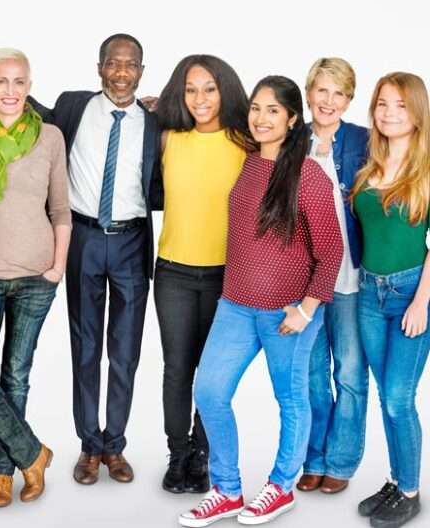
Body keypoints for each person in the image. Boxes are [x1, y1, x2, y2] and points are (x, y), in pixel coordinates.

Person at [181, 76, 343, 527]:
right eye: (256, 108)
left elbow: (331, 250)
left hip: (288, 311)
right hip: (235, 304)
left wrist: (307, 308)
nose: (261, 117)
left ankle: (281, 486)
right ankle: (227, 490)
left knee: (290, 400)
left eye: (273, 110)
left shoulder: (308, 174)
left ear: (292, 120)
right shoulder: (249, 164)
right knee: (209, 392)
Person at [30, 33, 162, 486]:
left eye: (131, 65)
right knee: (85, 347)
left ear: (141, 71)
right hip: (83, 239)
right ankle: (89, 446)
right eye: (113, 63)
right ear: (99, 67)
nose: (121, 73)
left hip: (131, 242)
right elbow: (22, 106)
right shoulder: (72, 106)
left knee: (124, 353)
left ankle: (115, 446)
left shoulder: (156, 122)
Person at [0, 48, 71, 508]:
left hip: (37, 276)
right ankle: (33, 454)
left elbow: (60, 209)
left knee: (16, 375)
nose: (10, 91)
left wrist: (58, 266)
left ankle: (2, 474)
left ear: (29, 85)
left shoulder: (50, 138)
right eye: (1, 81)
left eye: (18, 82)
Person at [153, 54, 251, 494]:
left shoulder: (244, 142)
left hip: (226, 277)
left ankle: (202, 453)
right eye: (191, 89)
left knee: (213, 373)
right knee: (177, 369)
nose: (200, 98)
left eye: (209, 88)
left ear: (225, 89)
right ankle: (178, 456)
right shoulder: (168, 139)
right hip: (173, 271)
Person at [351, 71, 430, 528]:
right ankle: (399, 479)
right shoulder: (369, 168)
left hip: (410, 294)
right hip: (367, 294)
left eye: (400, 105)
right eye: (382, 103)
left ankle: (411, 491)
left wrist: (421, 303)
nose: (389, 113)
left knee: (400, 397)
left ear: (417, 112)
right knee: (386, 396)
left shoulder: (425, 170)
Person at [296, 57, 371, 495]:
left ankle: (341, 462)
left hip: (351, 279)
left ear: (348, 99)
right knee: (309, 376)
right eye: (321, 91)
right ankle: (314, 458)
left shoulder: (363, 140)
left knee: (347, 372)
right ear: (309, 93)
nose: (329, 101)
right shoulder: (291, 140)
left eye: (338, 93)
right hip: (305, 281)